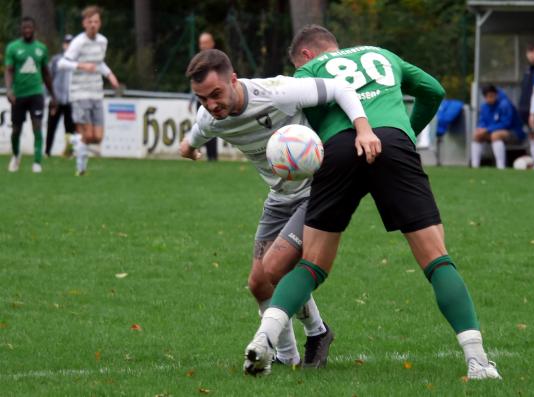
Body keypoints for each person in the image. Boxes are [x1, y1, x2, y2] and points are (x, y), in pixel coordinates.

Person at [244, 25, 501, 380]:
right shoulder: (382, 54)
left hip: (336, 153)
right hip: (391, 144)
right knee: (437, 259)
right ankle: (477, 361)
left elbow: (301, 115)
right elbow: (433, 90)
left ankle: (264, 338)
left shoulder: (309, 71)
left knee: (311, 264)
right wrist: (404, 132)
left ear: (305, 54)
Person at [179, 49, 375, 369]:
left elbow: (341, 88)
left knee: (275, 268)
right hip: (279, 197)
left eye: (216, 94)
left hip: (316, 190)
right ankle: (287, 354)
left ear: (233, 79)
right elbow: (194, 137)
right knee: (258, 283)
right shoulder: (210, 117)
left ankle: (316, 332)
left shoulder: (277, 92)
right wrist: (188, 149)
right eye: (203, 99)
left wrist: (364, 129)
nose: (212, 105)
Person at [58, 5, 119, 176]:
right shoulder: (78, 42)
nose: (93, 24)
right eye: (90, 21)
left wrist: (110, 75)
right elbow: (62, 63)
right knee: (87, 133)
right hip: (79, 93)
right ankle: (81, 169)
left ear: (100, 23)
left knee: (97, 137)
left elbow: (99, 63)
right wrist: (81, 65)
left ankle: (73, 140)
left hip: (96, 93)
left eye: (96, 21)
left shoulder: (102, 41)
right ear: (84, 23)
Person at [4, 16, 56, 173]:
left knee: (37, 126)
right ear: (21, 29)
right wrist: (9, 89)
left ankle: (37, 162)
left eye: (29, 28)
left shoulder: (41, 49)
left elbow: (46, 73)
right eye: (24, 28)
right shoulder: (13, 48)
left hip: (36, 93)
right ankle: (16, 155)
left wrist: (53, 95)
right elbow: (8, 70)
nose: (27, 30)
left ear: (34, 29)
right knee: (16, 130)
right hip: (18, 95)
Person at [471, 84, 525, 169]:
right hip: (491, 132)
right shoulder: (484, 107)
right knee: (476, 136)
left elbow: (506, 123)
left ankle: (500, 167)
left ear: (496, 94)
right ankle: (475, 166)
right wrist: (481, 129)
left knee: (495, 135)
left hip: (514, 133)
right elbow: (482, 122)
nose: (490, 99)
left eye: (491, 96)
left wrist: (487, 129)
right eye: (487, 97)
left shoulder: (505, 104)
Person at [187, 32, 218, 161]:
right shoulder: (197, 60)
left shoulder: (218, 60)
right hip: (200, 98)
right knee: (201, 125)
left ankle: (212, 156)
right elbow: (193, 81)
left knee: (212, 126)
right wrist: (192, 99)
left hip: (214, 98)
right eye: (201, 43)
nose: (203, 46)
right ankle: (200, 154)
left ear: (212, 43)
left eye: (205, 43)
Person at [45, 34, 75, 157]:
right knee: (51, 126)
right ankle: (47, 152)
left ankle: (69, 152)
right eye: (67, 43)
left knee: (70, 128)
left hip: (71, 100)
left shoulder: (78, 61)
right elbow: (47, 77)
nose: (69, 46)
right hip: (56, 100)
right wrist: (50, 96)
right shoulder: (56, 60)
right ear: (63, 45)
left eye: (71, 43)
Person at [518, 44, 534, 168]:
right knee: (531, 135)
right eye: (529, 52)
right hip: (525, 108)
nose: (531, 55)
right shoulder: (527, 70)